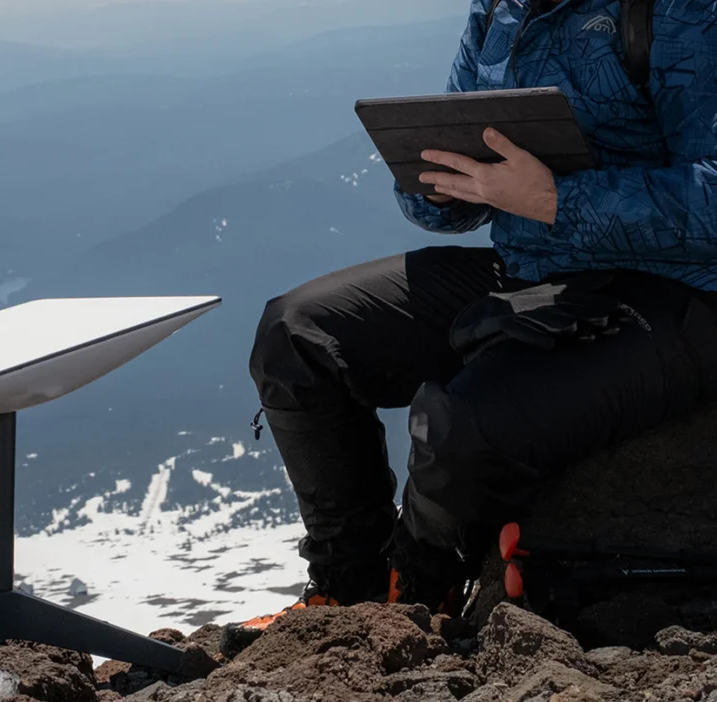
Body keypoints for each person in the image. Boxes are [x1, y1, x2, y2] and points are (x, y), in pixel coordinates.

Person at [243, 0, 717, 625]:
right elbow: (446, 197)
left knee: (460, 427)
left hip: (672, 294)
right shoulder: (500, 8)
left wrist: (555, 200)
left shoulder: (681, 11)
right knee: (298, 334)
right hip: (531, 268)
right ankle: (345, 585)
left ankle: (412, 595)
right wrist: (439, 185)